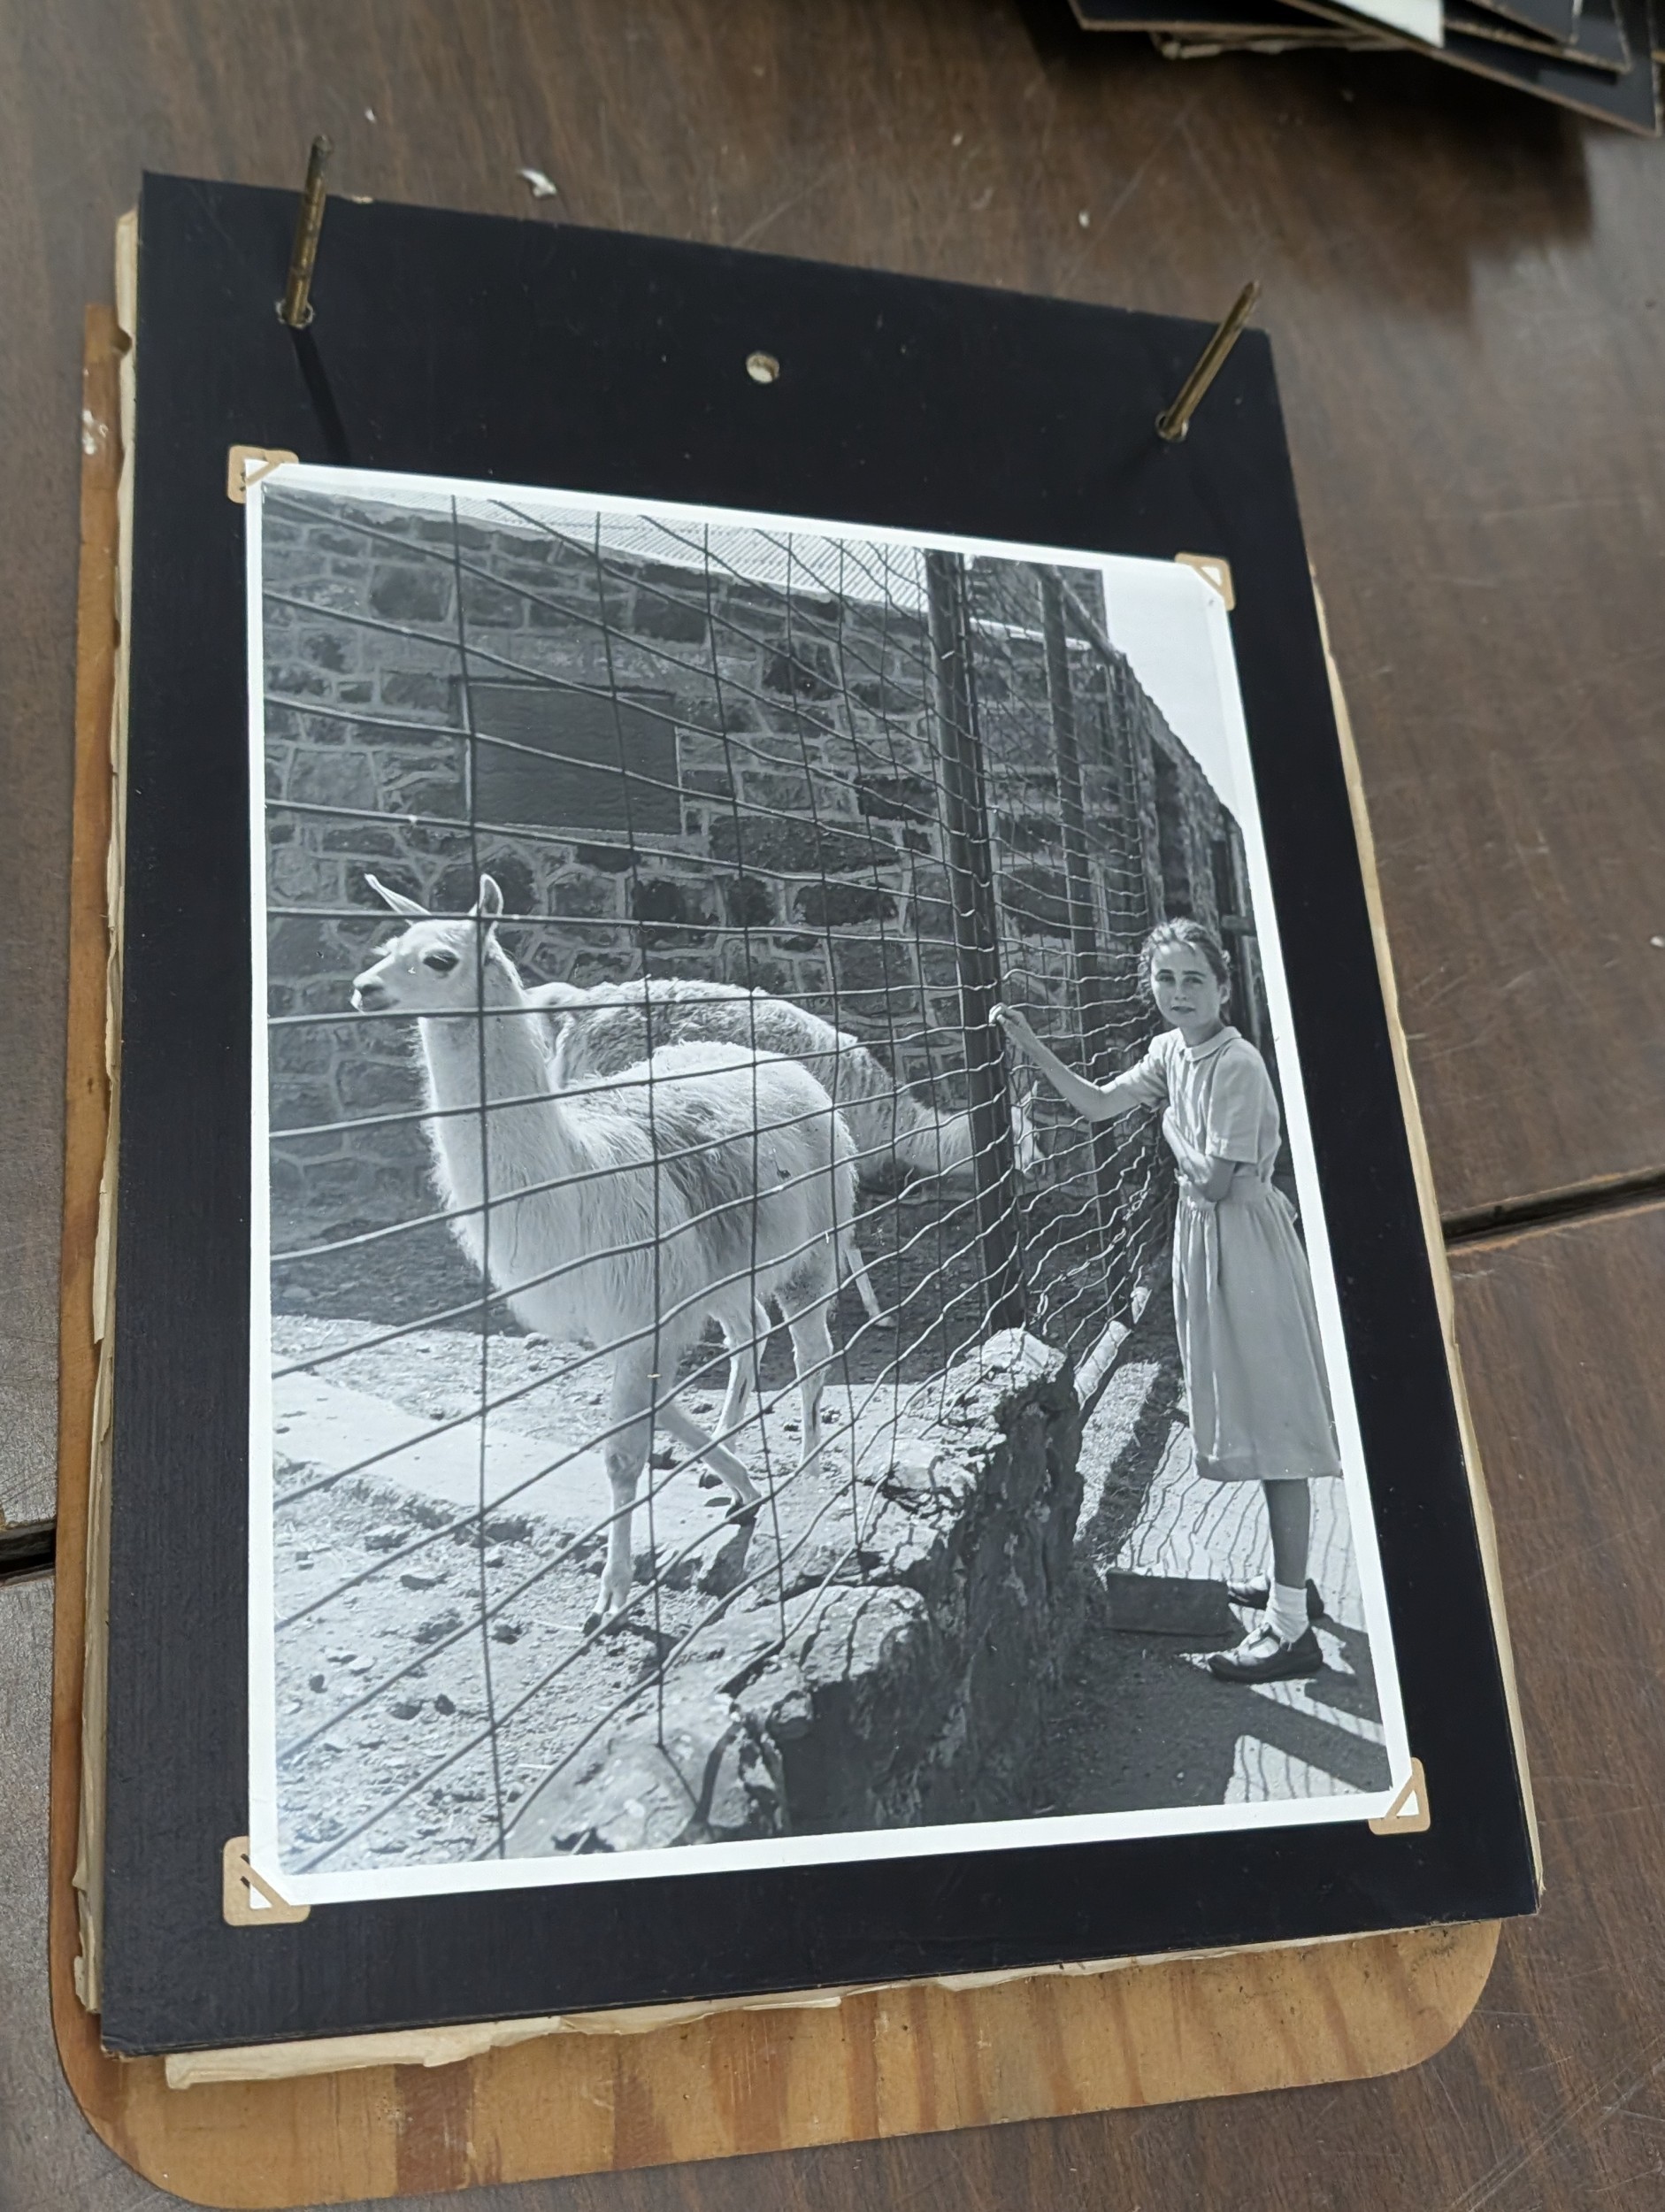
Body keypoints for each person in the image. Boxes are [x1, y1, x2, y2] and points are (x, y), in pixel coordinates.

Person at [993, 918, 1340, 1685]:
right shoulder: (1170, 1051)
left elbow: (1213, 1180)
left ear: (1224, 987)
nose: (1179, 994)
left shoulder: (1237, 1064)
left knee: (1277, 1424)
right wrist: (1031, 1046)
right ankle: (1292, 1587)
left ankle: (1290, 1630)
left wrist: (1172, 1126)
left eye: (1194, 980)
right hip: (1206, 1243)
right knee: (1255, 1413)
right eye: (1165, 979)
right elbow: (1095, 1105)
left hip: (1245, 1242)